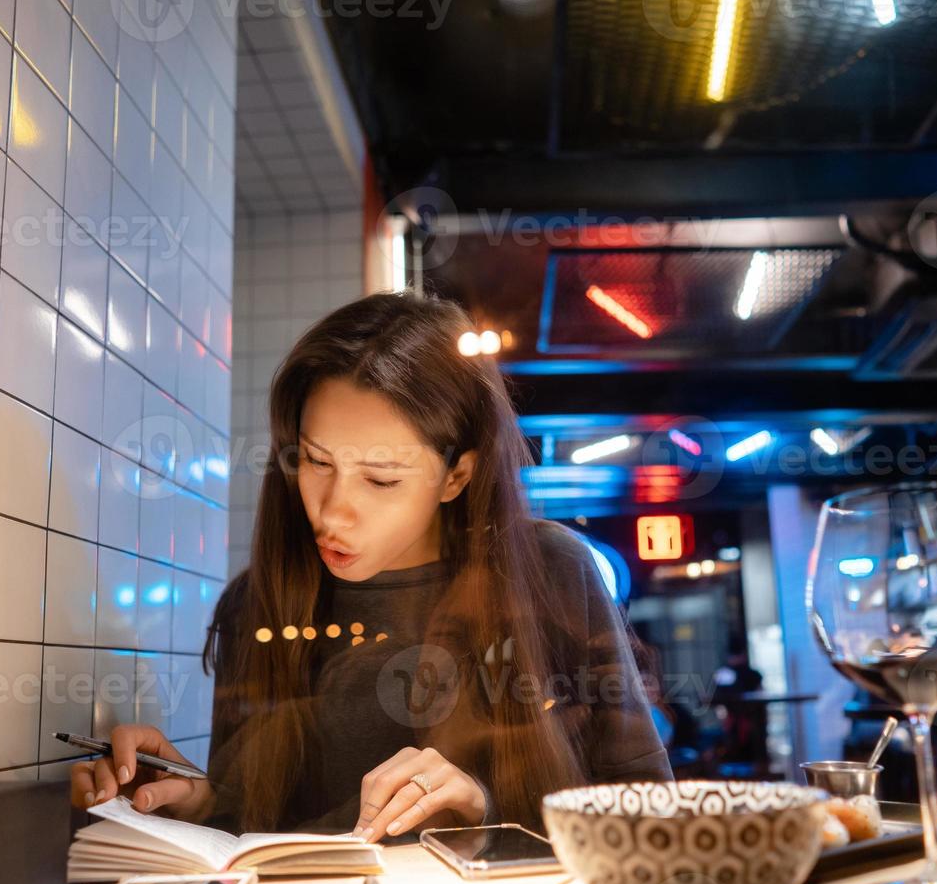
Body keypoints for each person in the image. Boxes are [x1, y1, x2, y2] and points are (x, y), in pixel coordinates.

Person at [69, 292, 671, 840]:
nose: (334, 513)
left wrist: (481, 815)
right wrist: (196, 803)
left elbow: (649, 819)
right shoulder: (260, 602)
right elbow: (258, 834)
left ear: (456, 475)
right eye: (315, 462)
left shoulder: (550, 571)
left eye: (381, 479)